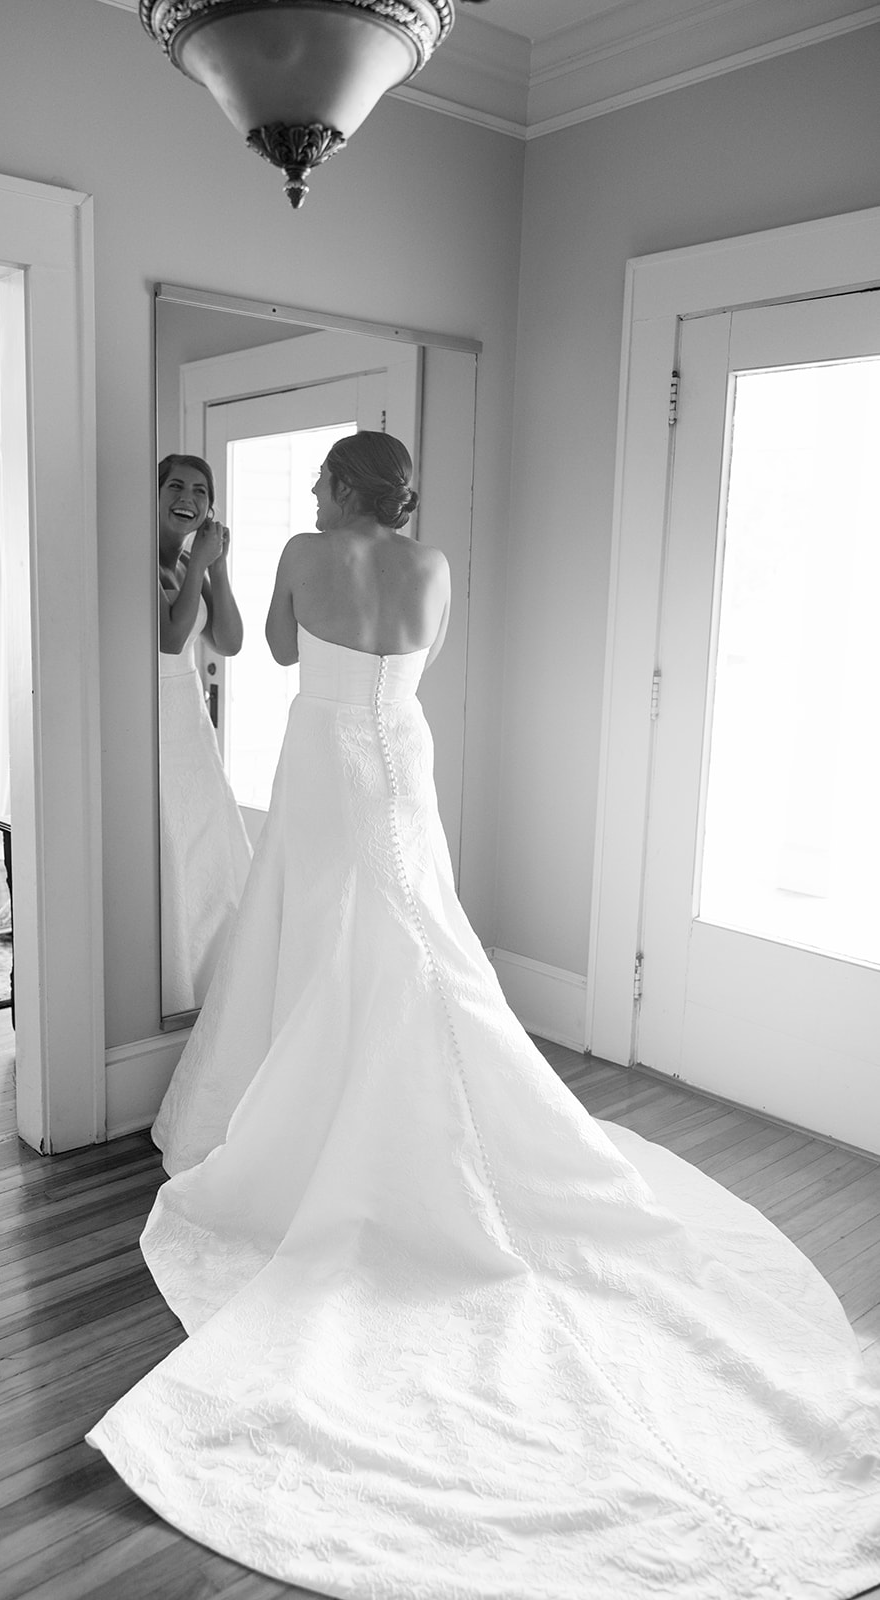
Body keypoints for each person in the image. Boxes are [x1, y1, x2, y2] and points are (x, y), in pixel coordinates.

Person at [90, 433, 880, 1599]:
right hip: (398, 761)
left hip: (321, 762)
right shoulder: (437, 568)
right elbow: (407, 659)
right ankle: (404, 1098)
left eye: (319, 481)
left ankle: (309, 1116)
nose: (310, 494)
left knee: (319, 931)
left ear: (340, 490)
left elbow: (275, 649)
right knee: (414, 930)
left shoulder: (304, 551)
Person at [156, 453, 251, 1015]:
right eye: (175, 486)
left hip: (189, 719)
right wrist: (197, 569)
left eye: (199, 491)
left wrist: (217, 569)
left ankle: (221, 975)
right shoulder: (142, 562)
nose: (186, 498)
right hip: (154, 719)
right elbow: (169, 641)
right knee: (173, 840)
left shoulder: (194, 563)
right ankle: (177, 972)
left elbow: (230, 641)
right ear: (156, 494)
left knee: (210, 838)